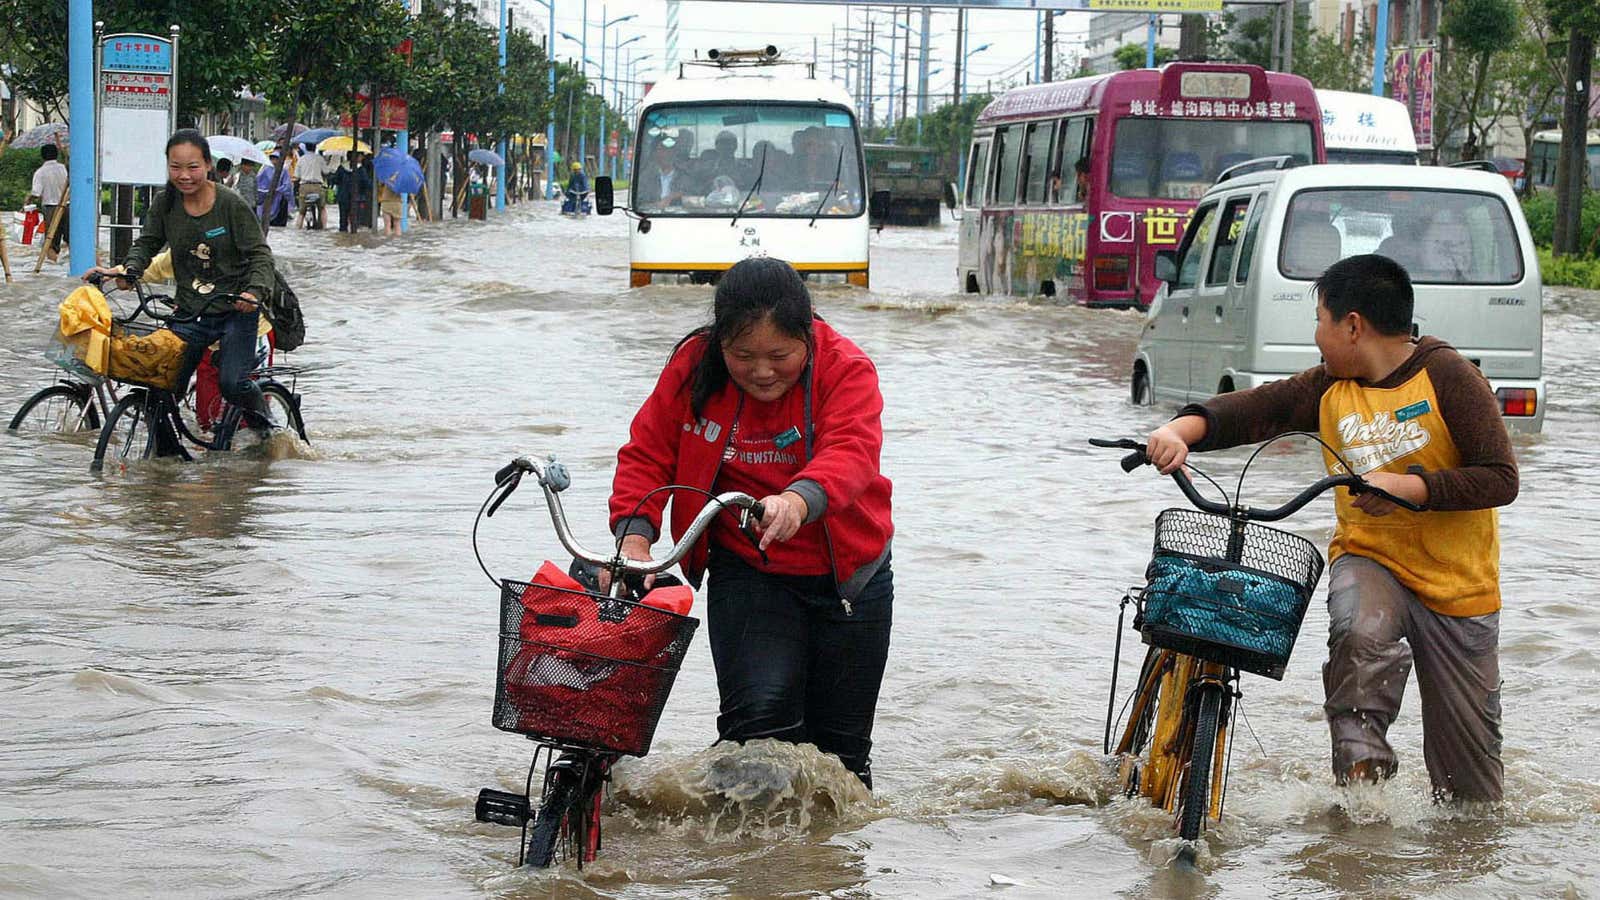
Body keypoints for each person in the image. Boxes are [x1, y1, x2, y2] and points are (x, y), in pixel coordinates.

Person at [1144, 254, 1518, 803]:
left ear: (1352, 325)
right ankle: (1363, 801)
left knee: (1472, 797)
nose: (1316, 336)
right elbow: (1256, 409)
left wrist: (1410, 488)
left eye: (1319, 320)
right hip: (1369, 559)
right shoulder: (1330, 386)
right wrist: (1179, 429)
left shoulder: (1449, 376)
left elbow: (1501, 478)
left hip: (1459, 585)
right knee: (1357, 631)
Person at [606, 257, 895, 788]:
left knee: (842, 760)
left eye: (780, 355)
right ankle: (747, 870)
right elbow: (647, 454)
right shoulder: (692, 367)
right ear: (720, 345)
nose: (762, 371)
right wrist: (637, 538)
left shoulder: (847, 367)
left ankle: (830, 868)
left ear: (808, 338)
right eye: (743, 356)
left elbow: (852, 452)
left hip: (850, 578)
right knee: (756, 729)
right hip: (748, 568)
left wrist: (798, 501)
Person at [83, 129, 278, 435]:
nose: (184, 175)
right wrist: (129, 270)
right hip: (190, 310)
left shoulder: (231, 204)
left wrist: (253, 291)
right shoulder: (165, 203)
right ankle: (163, 461)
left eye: (193, 167)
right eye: (176, 167)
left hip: (235, 312)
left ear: (208, 166)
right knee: (162, 380)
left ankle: (269, 429)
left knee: (231, 383)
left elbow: (260, 255)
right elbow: (147, 244)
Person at [26, 143, 69, 263]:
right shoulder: (64, 168)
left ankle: (53, 268)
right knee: (71, 239)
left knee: (51, 242)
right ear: (56, 155)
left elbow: (36, 193)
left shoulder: (40, 172)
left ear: (42, 156)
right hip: (67, 206)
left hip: (51, 208)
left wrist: (27, 200)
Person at [635, 138, 686, 210]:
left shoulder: (684, 176)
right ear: (654, 153)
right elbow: (638, 203)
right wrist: (656, 205)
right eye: (661, 149)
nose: (666, 153)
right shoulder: (645, 177)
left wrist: (672, 197)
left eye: (669, 149)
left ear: (674, 153)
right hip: (651, 216)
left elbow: (694, 195)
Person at [257, 150, 296, 227]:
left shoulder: (283, 170)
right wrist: (266, 191)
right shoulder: (264, 169)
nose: (274, 161)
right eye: (272, 159)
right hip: (266, 196)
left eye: (276, 159)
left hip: (279, 196)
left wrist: (278, 190)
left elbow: (287, 185)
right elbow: (259, 183)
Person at [296, 148, 327, 230]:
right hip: (317, 186)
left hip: (304, 187)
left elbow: (297, 175)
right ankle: (324, 228)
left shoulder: (301, 159)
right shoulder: (320, 158)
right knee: (322, 208)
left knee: (301, 212)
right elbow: (326, 171)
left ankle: (298, 229)